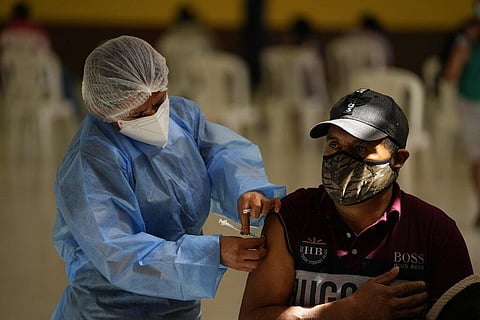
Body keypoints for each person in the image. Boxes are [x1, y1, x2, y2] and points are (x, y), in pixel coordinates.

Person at [51, 35, 286, 319]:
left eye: (159, 101)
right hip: (111, 308)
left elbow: (222, 154)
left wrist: (248, 189)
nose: (154, 116)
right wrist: (213, 253)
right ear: (103, 110)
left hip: (179, 300)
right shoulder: (92, 159)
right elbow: (120, 254)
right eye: (138, 113)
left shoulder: (181, 116)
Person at [239, 88, 473, 320]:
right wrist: (343, 311)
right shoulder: (290, 217)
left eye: (360, 148)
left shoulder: (434, 232)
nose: (341, 159)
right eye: (334, 145)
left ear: (398, 159)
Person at [441, 13, 480, 228]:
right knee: (477, 159)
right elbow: (450, 75)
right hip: (470, 106)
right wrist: (461, 51)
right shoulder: (465, 46)